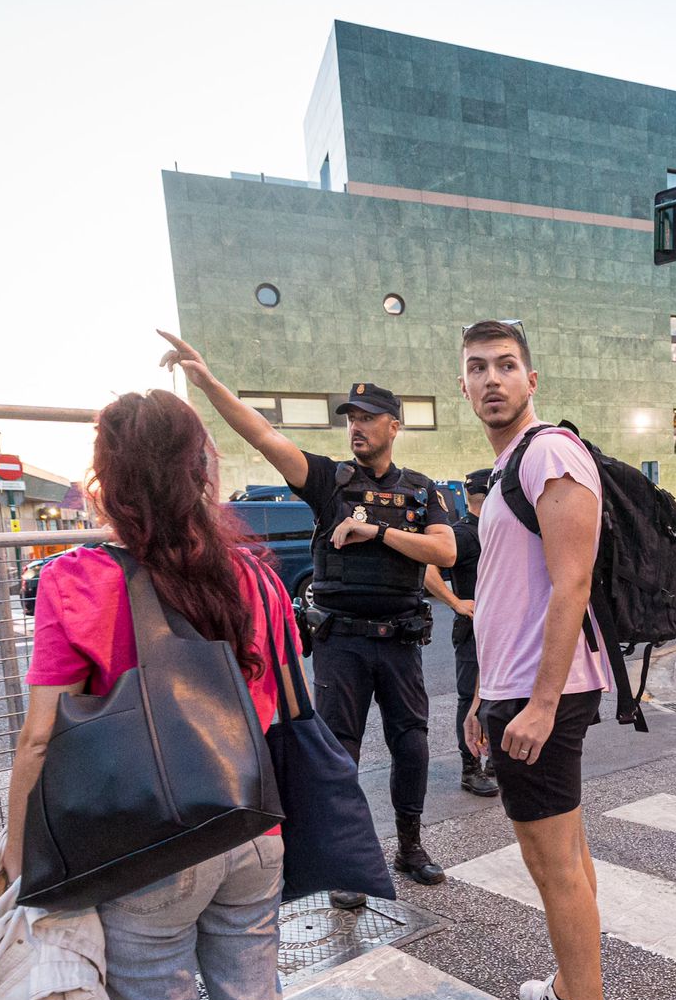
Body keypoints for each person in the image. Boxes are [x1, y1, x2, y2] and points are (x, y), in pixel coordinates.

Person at [2, 390, 313, 1000]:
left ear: (108, 475)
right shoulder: (248, 571)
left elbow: (39, 741)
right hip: (254, 828)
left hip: (150, 852)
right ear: (199, 469)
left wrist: (23, 863)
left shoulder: (73, 580)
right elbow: (284, 696)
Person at [157, 332, 457, 908]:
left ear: (395, 426)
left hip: (400, 642)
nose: (357, 427)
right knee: (339, 754)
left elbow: (444, 554)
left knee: (412, 746)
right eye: (351, 418)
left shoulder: (422, 492)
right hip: (341, 641)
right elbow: (262, 433)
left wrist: (375, 531)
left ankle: (411, 847)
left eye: (369, 418)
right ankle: (345, 863)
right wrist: (207, 381)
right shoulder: (329, 482)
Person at [456, 318, 621, 1000]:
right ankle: (568, 991)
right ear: (464, 385)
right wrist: (484, 699)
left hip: (543, 694)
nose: (492, 379)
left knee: (554, 869)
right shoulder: (507, 470)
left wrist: (540, 704)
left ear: (532, 381)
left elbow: (571, 585)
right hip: (515, 689)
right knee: (569, 860)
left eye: (506, 366)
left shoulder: (550, 453)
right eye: (478, 368)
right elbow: (502, 598)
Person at [425, 467, 498, 797]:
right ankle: (471, 770)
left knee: (503, 695)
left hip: (502, 629)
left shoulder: (496, 530)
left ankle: (496, 764)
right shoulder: (463, 534)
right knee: (471, 698)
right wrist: (455, 602)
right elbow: (427, 568)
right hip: (473, 628)